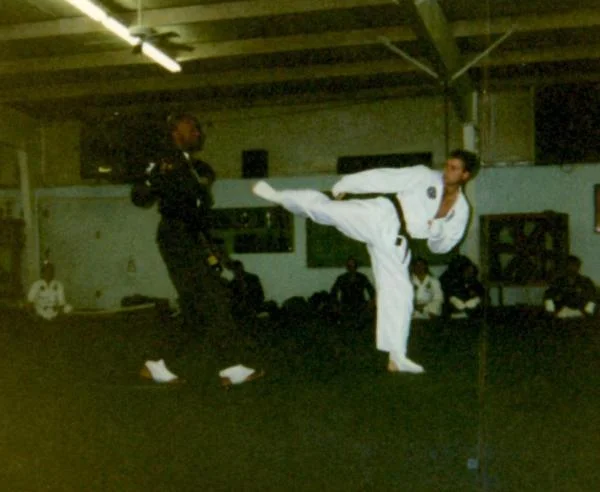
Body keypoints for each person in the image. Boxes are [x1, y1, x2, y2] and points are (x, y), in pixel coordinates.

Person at [252, 149, 480, 374]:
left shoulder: (461, 211)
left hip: (397, 243)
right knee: (328, 211)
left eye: (453, 168)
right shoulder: (424, 176)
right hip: (381, 215)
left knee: (401, 294)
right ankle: (279, 196)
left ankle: (397, 357)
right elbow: (384, 177)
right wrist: (347, 184)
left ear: (465, 175)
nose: (445, 171)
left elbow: (440, 247)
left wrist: (437, 229)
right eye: (447, 165)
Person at [131, 111, 262, 386]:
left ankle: (157, 365)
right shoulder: (163, 160)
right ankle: (232, 367)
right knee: (215, 298)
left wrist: (220, 256)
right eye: (192, 128)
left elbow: (200, 218)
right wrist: (155, 177)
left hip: (193, 238)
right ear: (174, 130)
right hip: (176, 236)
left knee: (194, 309)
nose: (198, 133)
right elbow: (139, 197)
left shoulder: (192, 166)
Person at [330, 256, 375, 324]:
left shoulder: (362, 277)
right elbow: (333, 292)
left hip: (360, 305)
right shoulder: (341, 278)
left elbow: (372, 291)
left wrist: (371, 303)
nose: (351, 267)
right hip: (345, 305)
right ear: (347, 267)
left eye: (353, 265)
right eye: (349, 265)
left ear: (356, 266)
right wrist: (335, 304)